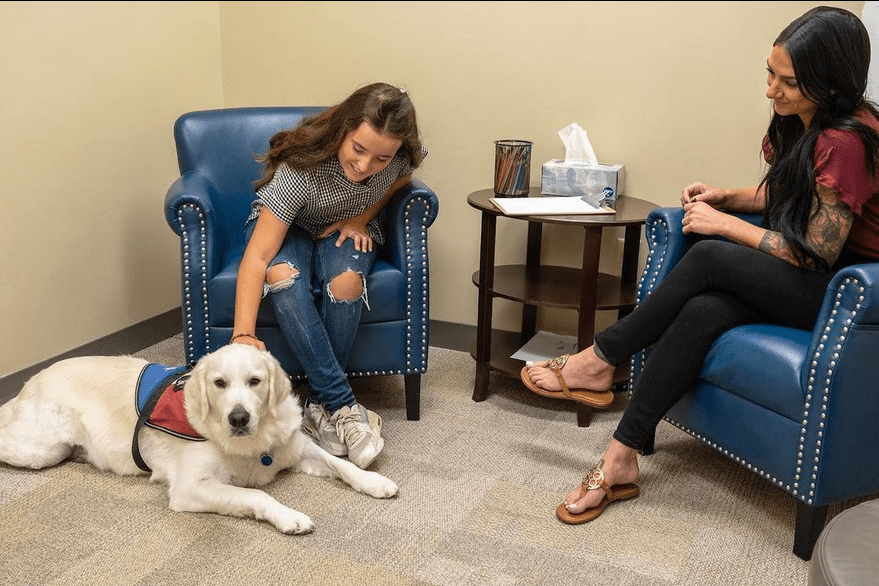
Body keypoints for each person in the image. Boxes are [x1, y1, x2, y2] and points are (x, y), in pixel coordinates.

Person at [521, 6, 879, 524]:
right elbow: (793, 192)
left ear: (831, 86)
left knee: (710, 252)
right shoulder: (806, 121)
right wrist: (730, 196)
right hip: (809, 277)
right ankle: (620, 459)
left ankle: (600, 359)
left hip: (848, 299)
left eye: (789, 82)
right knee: (704, 310)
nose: (771, 91)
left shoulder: (847, 141)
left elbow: (817, 250)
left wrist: (724, 224)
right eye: (770, 73)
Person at [231, 82, 427, 469]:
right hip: (289, 230)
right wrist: (242, 334)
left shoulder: (398, 160)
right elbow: (259, 256)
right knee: (282, 274)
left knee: (347, 283)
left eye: (380, 158)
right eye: (358, 149)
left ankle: (319, 407)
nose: (365, 165)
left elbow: (401, 179)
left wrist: (360, 217)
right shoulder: (300, 170)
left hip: (344, 228)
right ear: (343, 130)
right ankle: (342, 406)